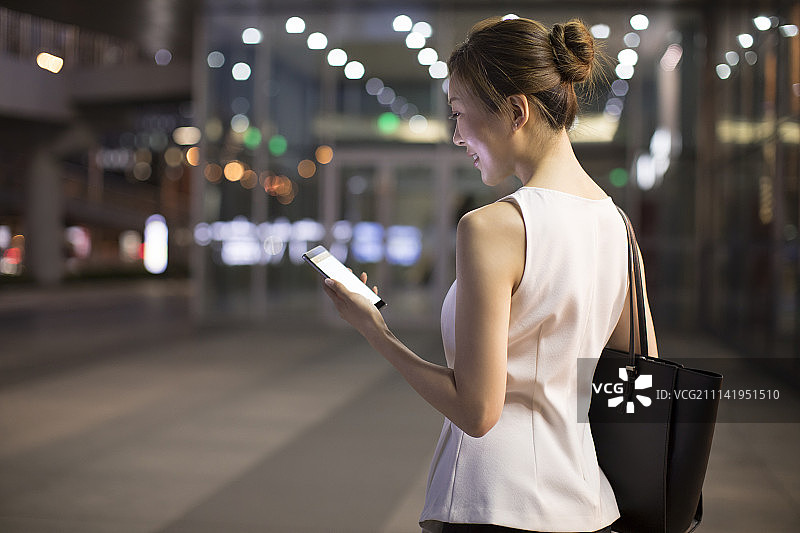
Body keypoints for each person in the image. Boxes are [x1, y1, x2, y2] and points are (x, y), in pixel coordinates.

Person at [321, 15, 658, 533]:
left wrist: (375, 330)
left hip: (495, 505)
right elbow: (641, 370)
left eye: (459, 114)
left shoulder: (492, 228)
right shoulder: (617, 226)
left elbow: (478, 412)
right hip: (590, 505)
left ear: (515, 110)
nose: (457, 136)